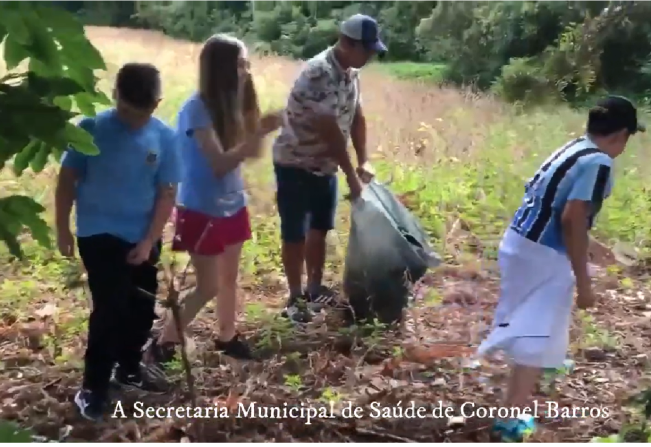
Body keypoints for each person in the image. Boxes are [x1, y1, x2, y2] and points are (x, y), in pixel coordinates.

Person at [476, 95, 644, 442]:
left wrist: (595, 248)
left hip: (520, 242)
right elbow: (571, 218)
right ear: (622, 134)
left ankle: (521, 395)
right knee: (534, 336)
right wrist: (585, 284)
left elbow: (557, 209)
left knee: (532, 329)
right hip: (541, 254)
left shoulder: (574, 149)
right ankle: (510, 420)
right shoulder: (599, 162)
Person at [144, 34, 284, 365]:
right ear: (221, 67)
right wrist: (259, 132)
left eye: (247, 63)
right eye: (240, 64)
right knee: (207, 285)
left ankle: (227, 336)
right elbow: (219, 165)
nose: (246, 70)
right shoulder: (196, 110)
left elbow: (253, 154)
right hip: (201, 207)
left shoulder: (232, 105)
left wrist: (253, 115)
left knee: (229, 280)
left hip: (232, 203)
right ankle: (164, 343)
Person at [55, 63, 181, 421]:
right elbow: (67, 180)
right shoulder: (91, 129)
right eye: (125, 110)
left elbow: (166, 193)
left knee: (141, 308)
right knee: (111, 308)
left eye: (141, 113)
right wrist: (63, 227)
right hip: (98, 232)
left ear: (156, 104)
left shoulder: (164, 137)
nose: (132, 120)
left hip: (142, 234)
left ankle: (128, 366)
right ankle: (93, 386)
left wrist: (149, 241)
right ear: (115, 96)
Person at [272, 14, 386, 323]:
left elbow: (356, 115)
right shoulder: (319, 72)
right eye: (367, 49)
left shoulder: (350, 71)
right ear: (347, 43)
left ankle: (314, 288)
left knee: (320, 228)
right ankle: (295, 298)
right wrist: (351, 175)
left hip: (324, 165)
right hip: (296, 161)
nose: (371, 56)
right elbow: (330, 131)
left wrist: (364, 159)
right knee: (294, 232)